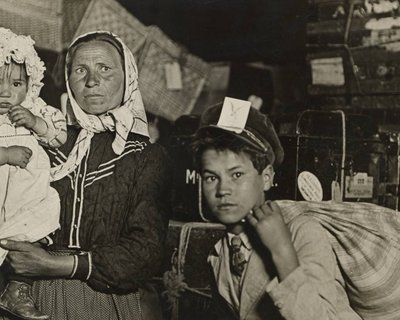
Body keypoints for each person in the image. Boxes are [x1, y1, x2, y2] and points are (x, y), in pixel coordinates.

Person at [0, 31, 171, 320]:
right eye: (81, 70)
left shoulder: (146, 157)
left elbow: (146, 251)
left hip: (103, 302)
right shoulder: (42, 141)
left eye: (105, 68)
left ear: (128, 76)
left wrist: (58, 265)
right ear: (68, 79)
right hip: (29, 299)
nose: (92, 81)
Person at [191, 98, 361, 319]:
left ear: (267, 178)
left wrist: (282, 251)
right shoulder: (220, 252)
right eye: (212, 177)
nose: (223, 189)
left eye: (237, 175)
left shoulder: (302, 232)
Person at [0, 28, 66, 320]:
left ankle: (18, 290)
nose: (5, 92)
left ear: (30, 84)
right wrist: (4, 155)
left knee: (33, 233)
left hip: (28, 195)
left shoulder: (35, 108)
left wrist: (36, 123)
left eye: (16, 83)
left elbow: (59, 136)